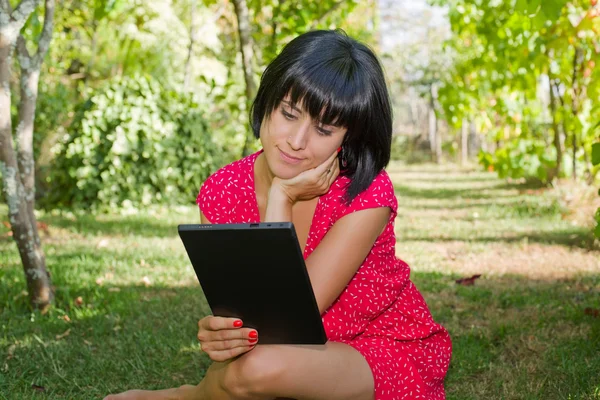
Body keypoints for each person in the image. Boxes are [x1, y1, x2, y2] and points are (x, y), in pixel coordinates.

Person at [105, 29, 451, 400]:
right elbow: (256, 323)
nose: (296, 141)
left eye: (323, 129)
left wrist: (281, 198)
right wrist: (225, 332)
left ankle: (185, 397)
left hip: (377, 348)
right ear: (267, 102)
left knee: (255, 368)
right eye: (288, 114)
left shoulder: (366, 193)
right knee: (250, 364)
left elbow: (288, 320)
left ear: (347, 139)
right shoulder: (223, 190)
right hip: (276, 354)